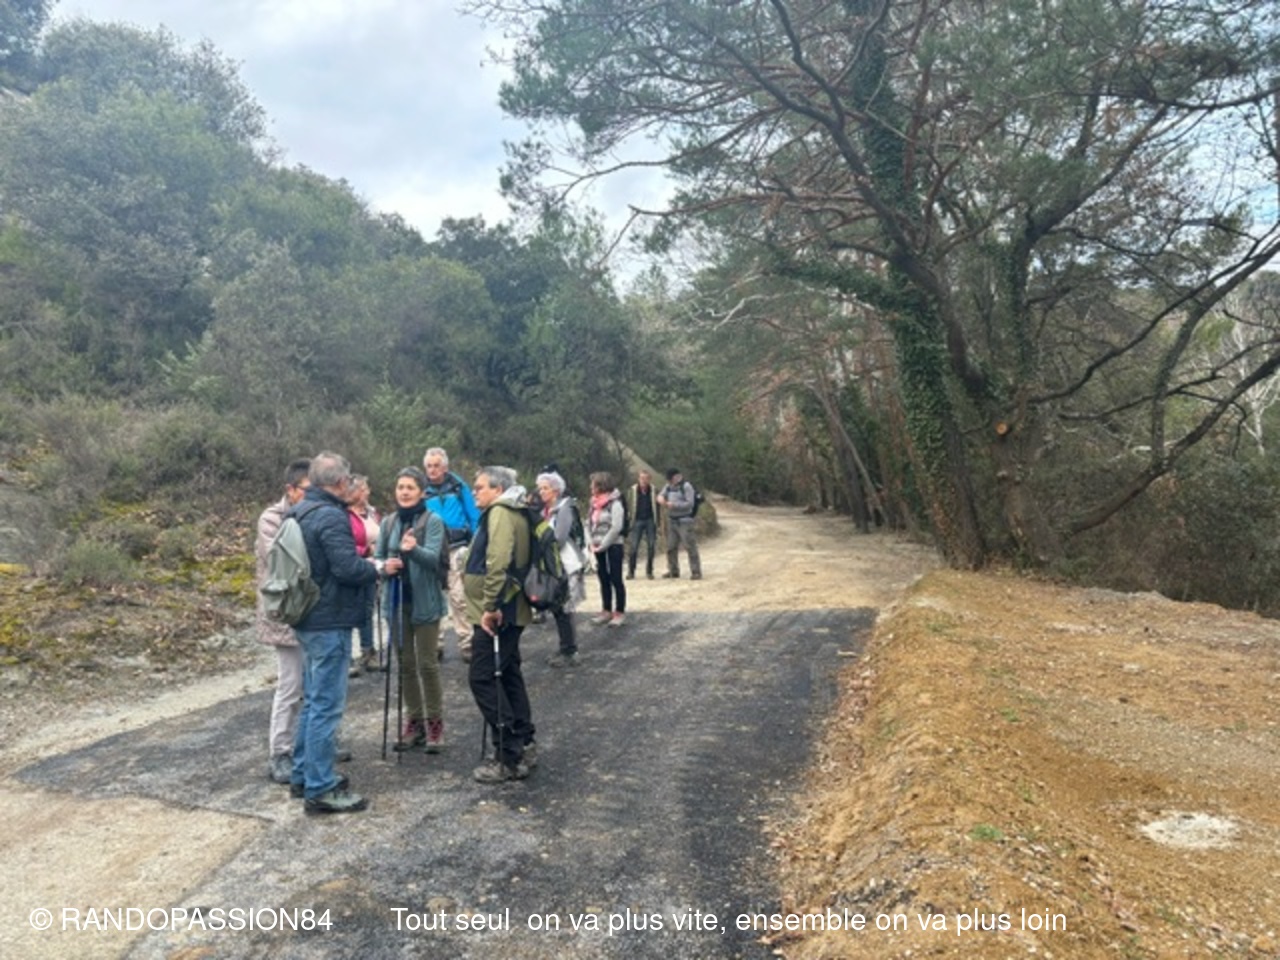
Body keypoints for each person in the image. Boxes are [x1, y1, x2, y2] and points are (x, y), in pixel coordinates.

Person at [290, 451, 380, 814]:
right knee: (326, 705)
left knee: (313, 701)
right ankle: (320, 787)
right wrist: (376, 568)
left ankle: (303, 775)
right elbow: (346, 569)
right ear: (341, 482)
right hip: (330, 618)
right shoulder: (330, 515)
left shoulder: (299, 511)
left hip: (306, 615)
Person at [464, 466, 536, 782]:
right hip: (510, 608)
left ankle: (509, 755)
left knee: (482, 677)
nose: (474, 491)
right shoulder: (514, 510)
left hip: (499, 611)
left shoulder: (500, 513)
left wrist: (490, 606)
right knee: (507, 674)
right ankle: (525, 741)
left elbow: (498, 561)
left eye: (480, 487)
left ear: (498, 489)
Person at [376, 467, 448, 753]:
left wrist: (413, 550)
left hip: (426, 602)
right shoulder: (388, 522)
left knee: (427, 664)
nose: (404, 492)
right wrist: (385, 567)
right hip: (396, 601)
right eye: (400, 487)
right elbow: (378, 557)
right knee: (405, 665)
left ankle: (435, 723)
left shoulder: (433, 521)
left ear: (421, 492)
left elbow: (433, 560)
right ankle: (414, 722)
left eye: (410, 487)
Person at [256, 458, 311, 784]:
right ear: (291, 490)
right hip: (284, 612)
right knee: (290, 685)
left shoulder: (310, 514)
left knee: (313, 683)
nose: (312, 496)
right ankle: (280, 752)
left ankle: (310, 743)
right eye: (307, 489)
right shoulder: (271, 519)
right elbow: (283, 558)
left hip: (310, 610)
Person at [422, 447, 481, 662]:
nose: (432, 470)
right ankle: (435, 644)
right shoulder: (421, 489)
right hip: (431, 550)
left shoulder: (458, 486)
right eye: (429, 466)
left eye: (436, 466)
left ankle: (467, 643)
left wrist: (476, 542)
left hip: (457, 547)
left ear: (445, 467)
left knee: (459, 597)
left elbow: (473, 515)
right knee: (432, 597)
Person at [536, 471, 586, 667]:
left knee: (565, 607)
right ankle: (566, 646)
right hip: (555, 564)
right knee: (558, 607)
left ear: (556, 490)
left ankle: (570, 651)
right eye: (540, 488)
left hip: (568, 563)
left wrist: (541, 543)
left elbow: (560, 538)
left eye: (545, 488)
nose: (541, 492)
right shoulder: (547, 510)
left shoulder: (564, 509)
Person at [347, 475, 382, 676]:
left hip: (371, 568)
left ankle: (368, 652)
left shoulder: (372, 513)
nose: (367, 492)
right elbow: (343, 544)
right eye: (363, 489)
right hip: (353, 567)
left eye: (366, 488)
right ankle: (347, 657)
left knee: (368, 609)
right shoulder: (343, 514)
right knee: (349, 610)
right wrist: (366, 550)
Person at [587, 471, 627, 627]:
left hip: (613, 545)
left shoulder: (615, 503)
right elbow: (588, 523)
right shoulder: (593, 503)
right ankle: (606, 609)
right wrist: (590, 542)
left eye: (593, 485)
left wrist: (604, 544)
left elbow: (616, 527)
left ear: (601, 486)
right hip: (597, 546)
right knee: (603, 578)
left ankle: (620, 611)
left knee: (616, 578)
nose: (591, 488)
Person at [658, 468, 702, 579]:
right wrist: (661, 498)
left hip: (685, 521)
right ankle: (673, 570)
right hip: (672, 521)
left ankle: (696, 571)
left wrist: (674, 505)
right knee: (671, 547)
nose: (669, 481)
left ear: (676, 477)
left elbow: (690, 504)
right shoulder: (668, 486)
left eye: (670, 479)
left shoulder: (687, 487)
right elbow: (661, 495)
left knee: (690, 546)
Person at [625, 470, 659, 580]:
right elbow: (628, 505)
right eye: (642, 478)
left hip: (650, 520)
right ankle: (631, 571)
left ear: (649, 479)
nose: (644, 480)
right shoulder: (632, 491)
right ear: (638, 479)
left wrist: (658, 522)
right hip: (637, 520)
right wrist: (629, 520)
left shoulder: (654, 490)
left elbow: (658, 507)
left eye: (646, 478)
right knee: (633, 547)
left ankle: (649, 571)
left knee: (651, 546)